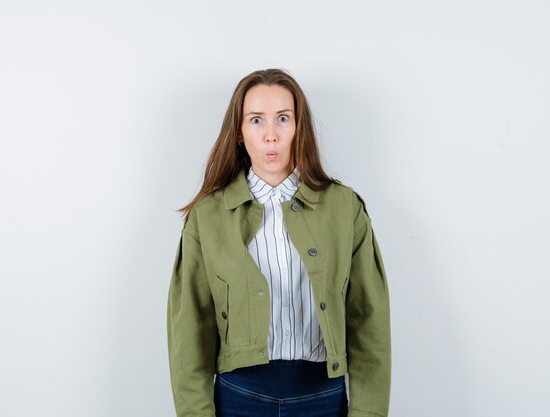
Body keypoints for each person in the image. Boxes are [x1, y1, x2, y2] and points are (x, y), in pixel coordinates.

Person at [166, 69, 391, 417]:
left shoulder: (345, 209)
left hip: (323, 400)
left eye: (283, 118)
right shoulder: (208, 217)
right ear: (239, 133)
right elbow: (190, 331)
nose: (271, 135)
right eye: (256, 120)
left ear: (299, 127)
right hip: (239, 398)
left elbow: (369, 323)